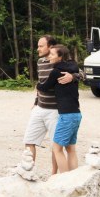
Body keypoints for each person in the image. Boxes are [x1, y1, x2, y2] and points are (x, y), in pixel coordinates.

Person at [22, 35, 77, 173]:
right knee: (29, 140)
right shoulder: (40, 62)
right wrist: (36, 100)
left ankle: (54, 175)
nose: (38, 49)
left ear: (50, 47)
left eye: (41, 46)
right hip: (40, 108)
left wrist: (73, 76)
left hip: (55, 111)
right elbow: (41, 82)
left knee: (56, 146)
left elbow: (81, 72)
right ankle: (28, 172)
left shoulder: (61, 62)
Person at [38, 44, 82, 174]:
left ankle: (63, 180)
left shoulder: (56, 72)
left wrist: (37, 85)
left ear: (60, 56)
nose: (49, 57)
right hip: (76, 114)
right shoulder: (73, 68)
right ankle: (74, 178)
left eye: (52, 55)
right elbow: (78, 73)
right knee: (71, 150)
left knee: (57, 149)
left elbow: (45, 87)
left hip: (66, 116)